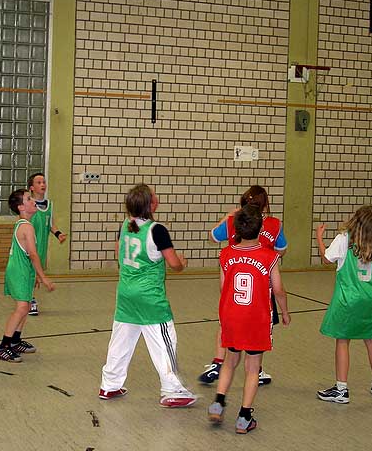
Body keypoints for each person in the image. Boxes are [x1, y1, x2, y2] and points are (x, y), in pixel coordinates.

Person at [99, 184, 197, 407]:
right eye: (154, 194)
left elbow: (119, 254)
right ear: (150, 204)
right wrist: (182, 262)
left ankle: (109, 385)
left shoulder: (125, 225)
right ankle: (173, 390)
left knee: (121, 342)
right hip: (149, 297)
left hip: (125, 292)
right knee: (164, 342)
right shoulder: (157, 229)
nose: (157, 196)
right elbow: (174, 264)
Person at [207, 205, 290, 433]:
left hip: (232, 316)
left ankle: (218, 402)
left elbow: (224, 287)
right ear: (261, 228)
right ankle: (244, 417)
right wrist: (284, 311)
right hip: (256, 319)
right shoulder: (270, 257)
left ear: (236, 229)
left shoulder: (226, 254)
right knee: (253, 368)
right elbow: (279, 290)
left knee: (229, 360)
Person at [199, 185, 288, 386]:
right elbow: (281, 250)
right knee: (258, 327)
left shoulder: (233, 221)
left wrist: (227, 217)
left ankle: (218, 362)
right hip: (261, 285)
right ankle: (257, 368)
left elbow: (213, 236)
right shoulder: (274, 224)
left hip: (234, 279)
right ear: (265, 204)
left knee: (228, 322)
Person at [315, 205, 372, 404]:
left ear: (355, 221)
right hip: (370, 300)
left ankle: (341, 389)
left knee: (342, 340)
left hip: (347, 300)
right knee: (371, 339)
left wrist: (319, 238)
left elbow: (326, 259)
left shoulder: (343, 239)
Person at [0, 189, 55, 362]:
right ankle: (4, 346)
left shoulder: (23, 223)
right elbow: (33, 254)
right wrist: (43, 276)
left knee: (27, 305)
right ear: (21, 207)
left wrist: (35, 274)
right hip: (19, 272)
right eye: (29, 199)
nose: (33, 201)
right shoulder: (26, 227)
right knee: (22, 308)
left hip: (25, 271)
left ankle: (15, 340)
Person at [26, 172, 67, 316]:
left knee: (35, 274)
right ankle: (29, 300)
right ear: (31, 187)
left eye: (44, 182)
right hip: (29, 246)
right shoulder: (28, 205)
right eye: (38, 182)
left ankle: (27, 299)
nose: (42, 184)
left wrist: (58, 234)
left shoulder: (49, 205)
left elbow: (50, 224)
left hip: (41, 247)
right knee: (30, 274)